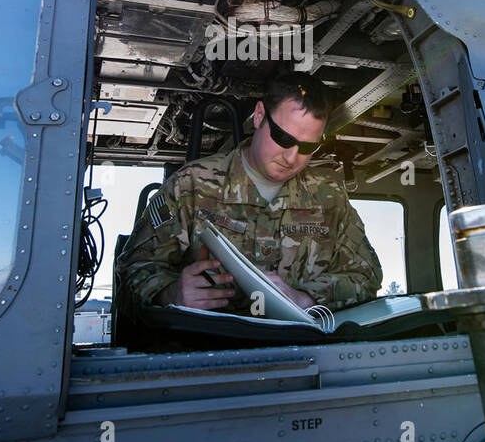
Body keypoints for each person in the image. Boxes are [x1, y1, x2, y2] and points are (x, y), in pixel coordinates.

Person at [116, 72, 382, 319]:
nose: (291, 157)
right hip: (208, 356)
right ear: (258, 116)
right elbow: (132, 270)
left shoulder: (329, 197)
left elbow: (366, 276)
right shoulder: (191, 187)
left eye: (308, 146)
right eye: (283, 137)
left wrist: (305, 299)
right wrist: (171, 294)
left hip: (301, 353)